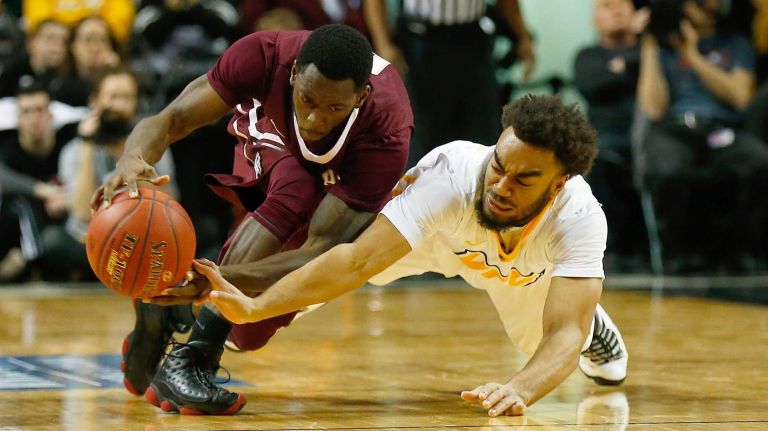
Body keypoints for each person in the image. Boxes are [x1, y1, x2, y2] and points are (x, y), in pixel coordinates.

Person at [191, 95, 629, 417]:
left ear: (557, 185)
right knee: (284, 302)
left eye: (523, 180)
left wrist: (518, 389)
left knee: (550, 340)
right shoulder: (450, 178)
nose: (500, 186)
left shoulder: (580, 215)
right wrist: (257, 306)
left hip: (525, 271)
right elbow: (355, 261)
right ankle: (200, 339)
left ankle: (597, 327)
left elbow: (563, 333)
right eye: (499, 166)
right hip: (436, 238)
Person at [97, 24, 412, 415]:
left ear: (361, 97)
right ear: (294, 73)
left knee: (250, 327)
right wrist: (132, 158)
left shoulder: (388, 128)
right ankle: (192, 360)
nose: (314, 119)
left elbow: (321, 252)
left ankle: (168, 310)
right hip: (271, 134)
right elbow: (175, 117)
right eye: (307, 100)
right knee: (295, 189)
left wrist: (208, 282)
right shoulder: (264, 55)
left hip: (337, 184)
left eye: (333, 108)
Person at [637, 0, 768, 272]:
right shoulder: (662, 49)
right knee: (668, 166)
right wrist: (650, 44)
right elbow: (653, 106)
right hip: (675, 127)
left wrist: (693, 55)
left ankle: (744, 252)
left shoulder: (735, 44)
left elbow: (741, 97)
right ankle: (682, 255)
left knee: (757, 161)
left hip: (721, 129)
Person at [39, 68, 177, 278]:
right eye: (113, 97)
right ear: (95, 101)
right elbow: (82, 213)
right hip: (91, 242)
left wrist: (131, 153)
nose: (119, 106)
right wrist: (87, 144)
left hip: (140, 242)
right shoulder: (74, 149)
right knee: (52, 241)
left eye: (127, 98)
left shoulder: (153, 146)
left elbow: (168, 207)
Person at [363, 0, 536, 166]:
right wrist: (383, 44)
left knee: (482, 143)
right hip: (420, 44)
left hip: (473, 42)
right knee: (421, 142)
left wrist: (522, 36)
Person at [574, 0, 648, 271]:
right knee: (598, 163)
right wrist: (632, 68)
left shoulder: (650, 51)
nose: (616, 10)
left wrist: (622, 66)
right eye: (607, 5)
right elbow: (593, 84)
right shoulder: (588, 55)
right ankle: (609, 250)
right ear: (595, 20)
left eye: (623, 5)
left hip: (647, 137)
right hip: (606, 141)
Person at [0, 83, 74, 281]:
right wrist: (42, 190)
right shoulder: (9, 149)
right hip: (24, 224)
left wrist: (67, 199)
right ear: (18, 119)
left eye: (40, 110)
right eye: (27, 112)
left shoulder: (67, 142)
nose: (34, 118)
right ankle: (30, 260)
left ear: (51, 114)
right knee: (18, 204)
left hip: (67, 218)